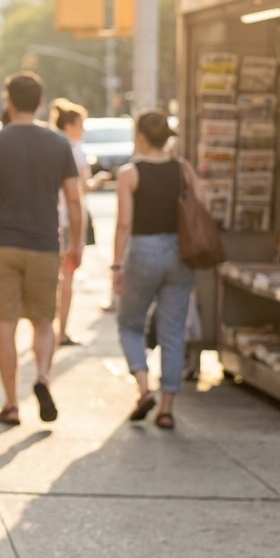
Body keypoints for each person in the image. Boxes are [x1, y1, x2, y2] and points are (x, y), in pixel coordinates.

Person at [0, 71, 82, 426]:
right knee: (44, 321)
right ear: (42, 103)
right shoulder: (59, 143)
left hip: (2, 243)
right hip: (46, 244)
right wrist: (77, 243)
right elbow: (75, 201)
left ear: (9, 102)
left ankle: (11, 403)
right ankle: (43, 377)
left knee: (6, 325)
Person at [112, 109, 195, 429]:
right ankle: (166, 408)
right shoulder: (183, 169)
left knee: (129, 324)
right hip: (180, 253)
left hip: (143, 252)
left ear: (141, 137)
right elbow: (199, 203)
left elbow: (123, 224)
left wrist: (117, 264)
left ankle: (144, 388)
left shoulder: (129, 174)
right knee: (173, 332)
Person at [50, 99, 92, 347]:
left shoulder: (49, 146)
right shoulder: (75, 150)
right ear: (71, 124)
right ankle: (61, 331)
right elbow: (80, 191)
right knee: (67, 278)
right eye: (81, 124)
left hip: (50, 218)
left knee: (52, 278)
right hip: (69, 221)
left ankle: (48, 328)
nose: (83, 129)